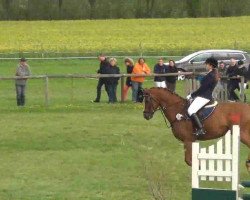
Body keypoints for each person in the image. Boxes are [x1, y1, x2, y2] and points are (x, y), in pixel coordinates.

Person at [186, 57, 218, 136]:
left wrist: (191, 95)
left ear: (210, 65)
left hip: (204, 96)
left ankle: (201, 129)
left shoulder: (211, 75)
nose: (205, 66)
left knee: (191, 110)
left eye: (206, 64)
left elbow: (202, 89)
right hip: (203, 95)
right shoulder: (211, 73)